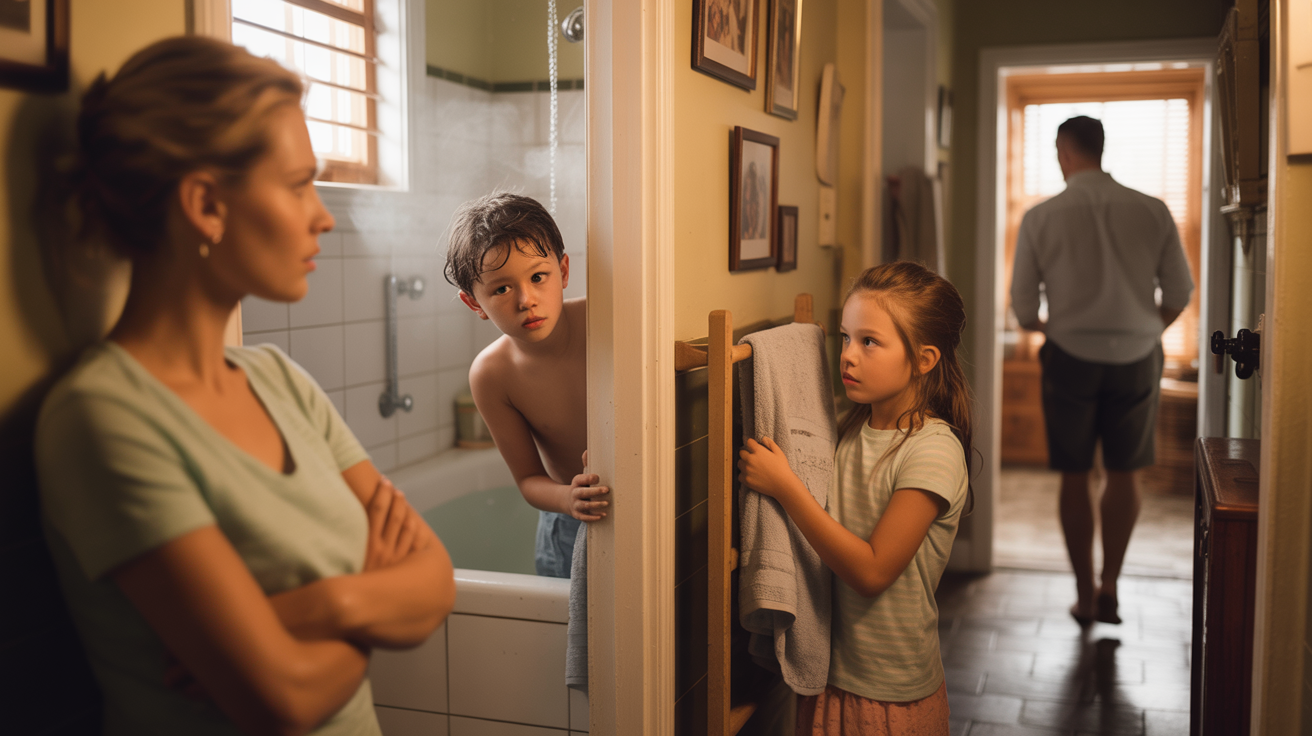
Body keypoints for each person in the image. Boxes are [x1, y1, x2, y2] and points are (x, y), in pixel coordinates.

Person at [36, 37, 456, 736]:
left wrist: (315, 610)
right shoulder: (102, 417)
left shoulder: (279, 379)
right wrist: (371, 605)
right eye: (297, 184)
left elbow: (435, 580)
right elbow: (284, 699)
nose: (322, 214)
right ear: (206, 204)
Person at [738, 261, 972, 735]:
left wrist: (785, 486)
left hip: (891, 691)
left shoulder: (933, 451)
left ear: (924, 360)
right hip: (829, 674)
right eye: (845, 337)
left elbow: (871, 571)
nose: (848, 356)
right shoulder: (849, 428)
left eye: (870, 342)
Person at [1010, 115, 1194, 626]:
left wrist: (1056, 325)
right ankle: (1111, 582)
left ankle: (1084, 596)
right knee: (1124, 471)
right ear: (1101, 149)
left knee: (1075, 475)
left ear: (1063, 153)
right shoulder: (1152, 210)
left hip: (1069, 354)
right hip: (1137, 356)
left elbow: (1023, 308)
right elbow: (1179, 293)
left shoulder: (1041, 217)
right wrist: (1143, 328)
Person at [444, 193, 609, 578]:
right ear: (475, 304)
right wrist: (567, 498)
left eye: (538, 277)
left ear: (563, 271)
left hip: (643, 504)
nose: (526, 299)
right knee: (571, 632)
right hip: (568, 522)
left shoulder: (605, 320)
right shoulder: (492, 373)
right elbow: (528, 480)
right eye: (501, 289)